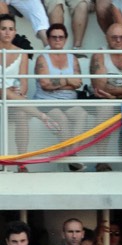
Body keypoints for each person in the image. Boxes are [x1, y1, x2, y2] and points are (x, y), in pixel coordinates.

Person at [0, 14, 58, 172]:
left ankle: (22, 163)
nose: (7, 32)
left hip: (13, 101)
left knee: (21, 114)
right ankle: (42, 116)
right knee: (2, 90)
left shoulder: (22, 53)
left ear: (15, 31)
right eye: (3, 28)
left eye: (10, 29)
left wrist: (18, 90)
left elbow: (24, 84)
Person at [34, 23, 88, 173]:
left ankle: (70, 155)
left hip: (69, 101)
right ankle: (72, 159)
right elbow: (45, 84)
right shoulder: (42, 58)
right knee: (61, 118)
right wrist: (67, 81)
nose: (57, 40)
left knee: (82, 114)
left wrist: (57, 83)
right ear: (48, 39)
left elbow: (78, 83)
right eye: (54, 37)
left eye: (61, 37)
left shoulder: (72, 58)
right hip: (47, 101)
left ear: (65, 39)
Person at [90, 23, 122, 172]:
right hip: (105, 99)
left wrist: (114, 92)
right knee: (104, 110)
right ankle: (102, 161)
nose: (118, 40)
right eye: (114, 37)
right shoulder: (99, 55)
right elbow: (100, 87)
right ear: (106, 38)